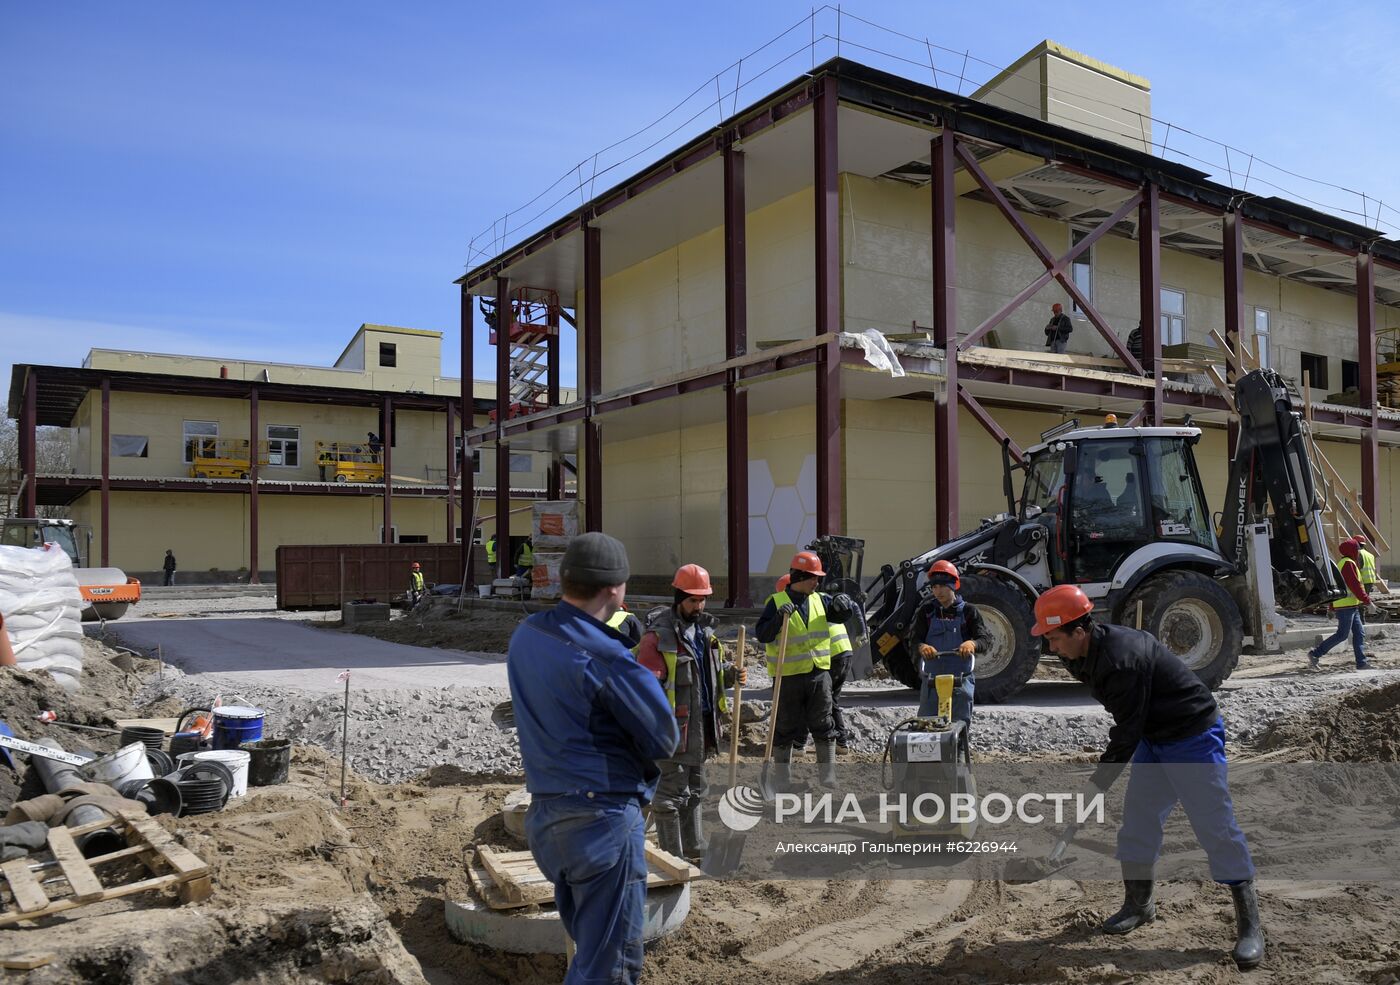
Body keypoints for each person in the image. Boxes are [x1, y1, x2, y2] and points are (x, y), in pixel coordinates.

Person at [1031, 585, 1263, 970]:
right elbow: (1133, 726)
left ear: (1078, 630)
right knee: (1138, 822)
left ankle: (1250, 927)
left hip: (1191, 737)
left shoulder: (1120, 660)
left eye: (1054, 638)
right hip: (1155, 737)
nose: (1051, 649)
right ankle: (1140, 905)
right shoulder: (1084, 654)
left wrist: (1095, 786)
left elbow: (1125, 733)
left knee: (1215, 827)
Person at [507, 532, 677, 984]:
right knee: (609, 968)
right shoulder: (607, 657)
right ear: (615, 590)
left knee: (590, 955)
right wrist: (628, 660)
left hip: (548, 819)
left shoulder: (526, 635)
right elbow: (664, 737)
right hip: (600, 822)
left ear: (566, 580)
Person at [638, 564, 746, 860]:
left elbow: (707, 679)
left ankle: (694, 847)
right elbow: (646, 687)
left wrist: (728, 677)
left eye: (702, 600)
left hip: (703, 727)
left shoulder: (705, 634)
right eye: (692, 600)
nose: (698, 606)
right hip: (672, 731)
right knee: (669, 796)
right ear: (678, 598)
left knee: (696, 789)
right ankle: (673, 856)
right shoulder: (658, 639)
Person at [753, 551, 858, 789]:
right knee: (785, 726)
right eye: (813, 577)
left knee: (823, 722)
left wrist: (844, 603)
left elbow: (840, 614)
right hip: (788, 676)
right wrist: (778, 619)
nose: (817, 582)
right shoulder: (776, 603)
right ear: (800, 576)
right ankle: (782, 778)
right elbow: (762, 634)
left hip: (818, 674)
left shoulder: (820, 600)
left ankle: (828, 775)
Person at [910, 560, 990, 732]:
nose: (938, 591)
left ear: (954, 585)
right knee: (927, 723)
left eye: (942, 586)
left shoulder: (969, 612)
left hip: (961, 678)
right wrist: (922, 647)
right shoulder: (926, 612)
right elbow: (914, 640)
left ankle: (959, 753)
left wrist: (972, 643)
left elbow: (985, 640)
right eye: (934, 587)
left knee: (958, 723)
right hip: (932, 678)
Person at [1308, 538, 1373, 671]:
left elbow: (1337, 586)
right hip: (1346, 607)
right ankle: (1315, 654)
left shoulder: (1344, 563)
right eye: (1357, 549)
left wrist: (1332, 607)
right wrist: (1367, 602)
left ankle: (1361, 663)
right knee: (1342, 635)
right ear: (1352, 550)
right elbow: (1355, 586)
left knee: (1359, 633)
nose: (1359, 552)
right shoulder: (1348, 564)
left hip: (1351, 606)